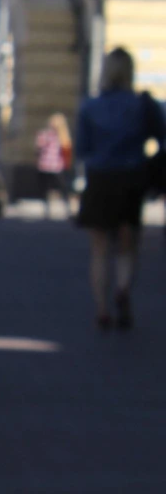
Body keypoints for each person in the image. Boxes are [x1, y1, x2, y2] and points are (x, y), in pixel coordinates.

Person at [75, 48, 164, 329]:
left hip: (100, 178)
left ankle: (102, 309)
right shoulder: (141, 104)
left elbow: (82, 149)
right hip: (132, 177)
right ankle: (123, 287)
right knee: (128, 243)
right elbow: (161, 136)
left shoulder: (89, 106)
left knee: (99, 249)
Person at [35, 112, 73, 219]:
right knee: (45, 189)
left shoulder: (63, 136)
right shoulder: (45, 134)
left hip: (56, 166)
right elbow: (38, 148)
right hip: (45, 165)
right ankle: (47, 210)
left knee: (62, 188)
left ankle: (67, 208)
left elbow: (66, 153)